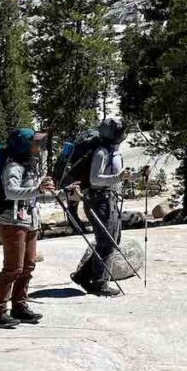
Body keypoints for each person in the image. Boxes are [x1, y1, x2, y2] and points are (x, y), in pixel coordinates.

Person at [0, 129, 54, 328]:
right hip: (12, 223)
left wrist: (63, 193)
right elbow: (10, 191)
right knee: (13, 268)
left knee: (28, 266)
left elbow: (35, 195)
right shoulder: (14, 166)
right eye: (34, 143)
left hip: (30, 222)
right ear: (24, 145)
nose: (38, 146)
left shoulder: (31, 165)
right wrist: (37, 189)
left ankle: (19, 306)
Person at [71, 118, 127, 297]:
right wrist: (118, 177)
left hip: (108, 199)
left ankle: (83, 275)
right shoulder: (101, 152)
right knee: (107, 242)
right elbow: (95, 180)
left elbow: (115, 176)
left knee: (112, 240)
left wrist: (129, 177)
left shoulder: (112, 151)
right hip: (100, 200)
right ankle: (99, 283)